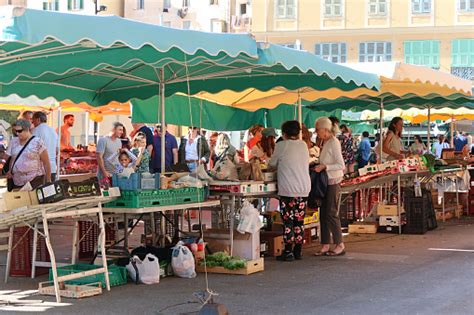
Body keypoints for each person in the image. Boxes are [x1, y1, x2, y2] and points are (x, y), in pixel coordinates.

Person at [269, 121, 310, 262]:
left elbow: (271, 164)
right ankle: (298, 251)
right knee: (299, 220)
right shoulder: (303, 145)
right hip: (303, 188)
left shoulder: (281, 145)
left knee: (288, 221)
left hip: (288, 189)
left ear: (284, 133)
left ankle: (288, 252)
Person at [314, 117, 345, 257]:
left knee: (331, 212)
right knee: (323, 213)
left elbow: (341, 165)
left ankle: (339, 244)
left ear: (325, 130)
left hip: (333, 181)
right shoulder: (325, 142)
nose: (316, 132)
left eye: (318, 130)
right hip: (325, 181)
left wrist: (325, 166)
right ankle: (325, 243)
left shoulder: (334, 142)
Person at [5, 119, 51, 190]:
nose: (17, 133)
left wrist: (48, 180)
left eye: (19, 131)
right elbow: (12, 158)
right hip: (17, 182)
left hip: (34, 181)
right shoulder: (14, 142)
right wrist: (10, 170)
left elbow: (46, 163)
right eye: (15, 131)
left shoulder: (37, 142)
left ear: (27, 129)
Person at [32, 112, 58, 180]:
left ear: (38, 119)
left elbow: (32, 149)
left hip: (40, 169)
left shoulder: (35, 130)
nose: (32, 123)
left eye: (33, 120)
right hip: (52, 167)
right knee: (50, 189)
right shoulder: (53, 130)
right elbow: (57, 150)